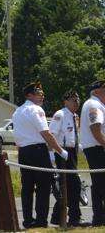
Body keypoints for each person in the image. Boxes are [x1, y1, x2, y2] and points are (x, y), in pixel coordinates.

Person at [12, 81, 67, 228]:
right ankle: (41, 220)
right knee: (43, 187)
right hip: (38, 151)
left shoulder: (17, 111)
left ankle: (28, 220)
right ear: (29, 95)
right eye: (38, 94)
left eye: (42, 94)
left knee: (27, 188)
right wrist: (60, 151)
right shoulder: (36, 109)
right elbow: (46, 133)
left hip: (24, 152)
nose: (42, 96)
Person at [50, 90, 84, 226]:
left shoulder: (75, 116)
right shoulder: (60, 114)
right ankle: (75, 217)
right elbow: (51, 134)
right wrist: (58, 152)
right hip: (63, 153)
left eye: (78, 100)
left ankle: (57, 216)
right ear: (66, 101)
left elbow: (74, 134)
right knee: (73, 185)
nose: (77, 103)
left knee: (70, 186)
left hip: (72, 151)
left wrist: (78, 145)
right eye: (73, 100)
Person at [81, 78, 105, 226]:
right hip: (97, 149)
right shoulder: (94, 104)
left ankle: (99, 218)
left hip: (96, 148)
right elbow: (96, 129)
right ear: (96, 91)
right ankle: (99, 218)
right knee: (101, 185)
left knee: (99, 185)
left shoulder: (95, 103)